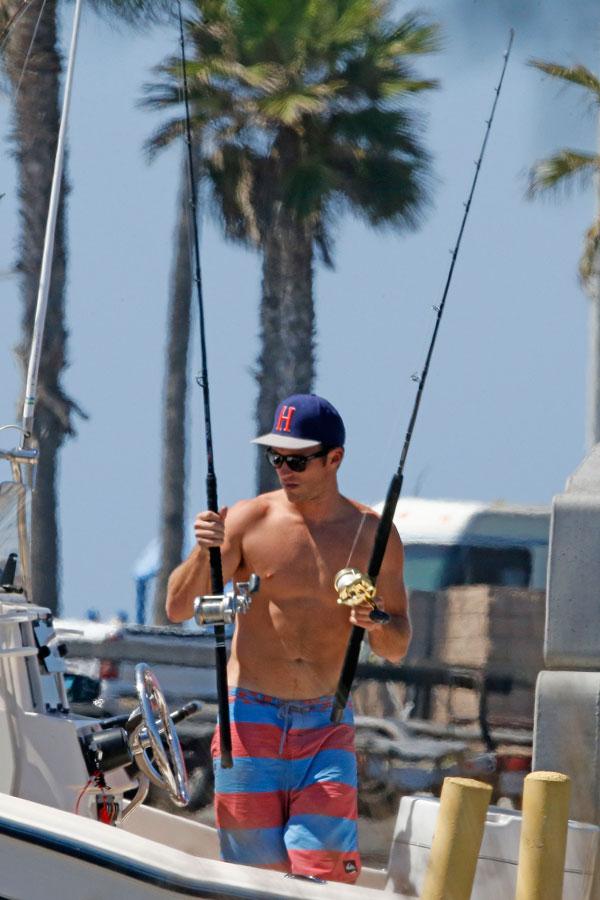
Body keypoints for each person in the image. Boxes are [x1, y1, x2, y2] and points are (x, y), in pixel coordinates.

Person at [166, 393, 410, 883]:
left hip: (326, 723)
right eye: (275, 457)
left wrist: (377, 620)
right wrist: (202, 552)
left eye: (297, 459)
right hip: (249, 719)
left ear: (334, 459)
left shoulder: (374, 535)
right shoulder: (248, 521)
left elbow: (398, 643)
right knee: (256, 882)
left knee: (328, 879)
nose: (283, 468)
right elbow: (177, 608)